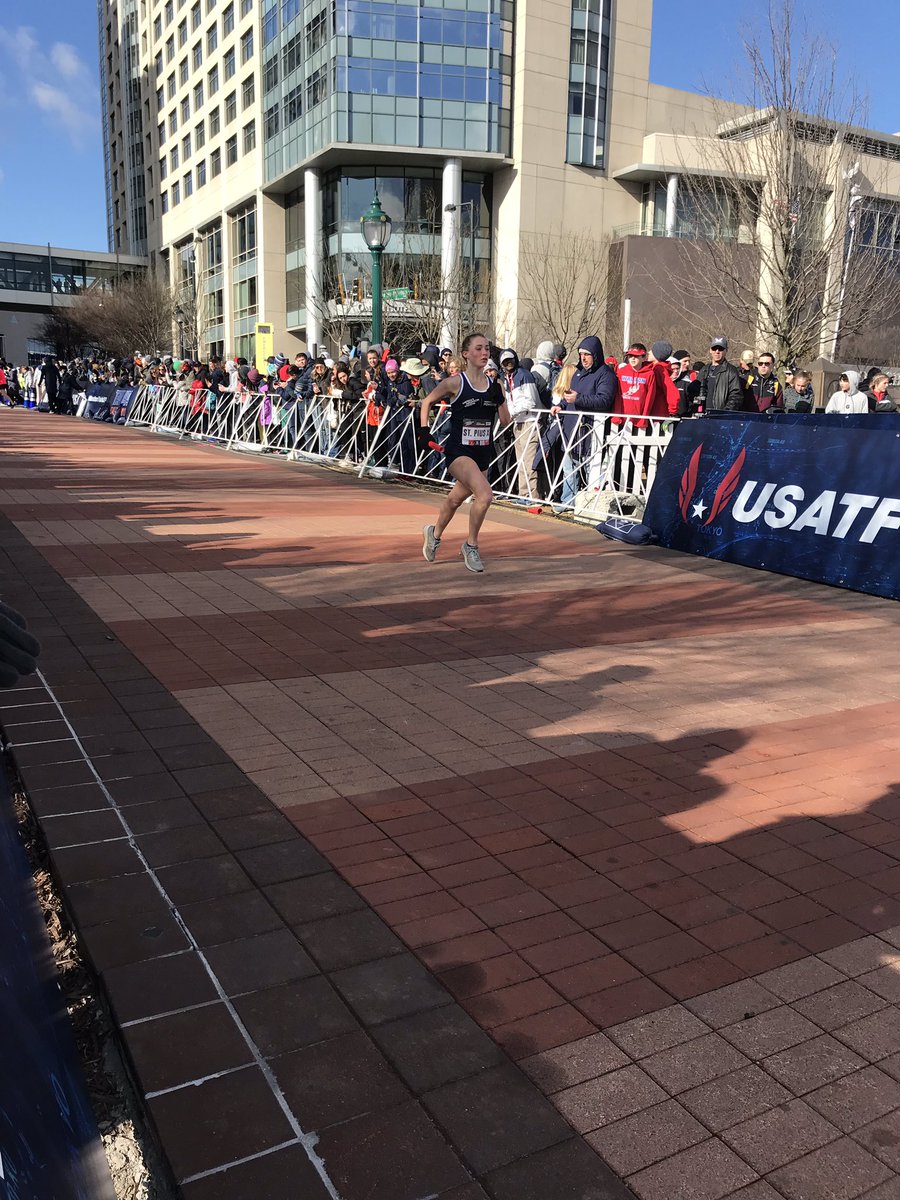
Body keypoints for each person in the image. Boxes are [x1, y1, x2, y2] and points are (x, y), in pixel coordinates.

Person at [420, 333, 511, 573]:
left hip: (482, 452)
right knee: (485, 496)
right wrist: (424, 432)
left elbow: (505, 420)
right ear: (466, 354)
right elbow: (426, 402)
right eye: (479, 348)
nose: (484, 353)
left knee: (455, 499)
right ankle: (471, 545)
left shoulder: (496, 385)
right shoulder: (455, 383)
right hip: (458, 451)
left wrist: (500, 400)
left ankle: (434, 533)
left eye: (487, 349)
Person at [497, 348, 542, 498]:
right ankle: (524, 494)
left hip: (530, 421)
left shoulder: (524, 375)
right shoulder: (506, 378)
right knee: (521, 460)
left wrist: (512, 412)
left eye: (511, 360)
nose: (508, 363)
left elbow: (532, 401)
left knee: (529, 461)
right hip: (518, 421)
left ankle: (533, 496)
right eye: (505, 361)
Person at [697, 336, 745, 412]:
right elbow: (696, 392)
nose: (717, 351)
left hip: (720, 418)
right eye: (714, 348)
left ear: (726, 350)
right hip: (702, 415)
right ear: (710, 350)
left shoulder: (731, 371)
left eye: (720, 349)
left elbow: (736, 395)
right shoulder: (704, 370)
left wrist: (725, 413)